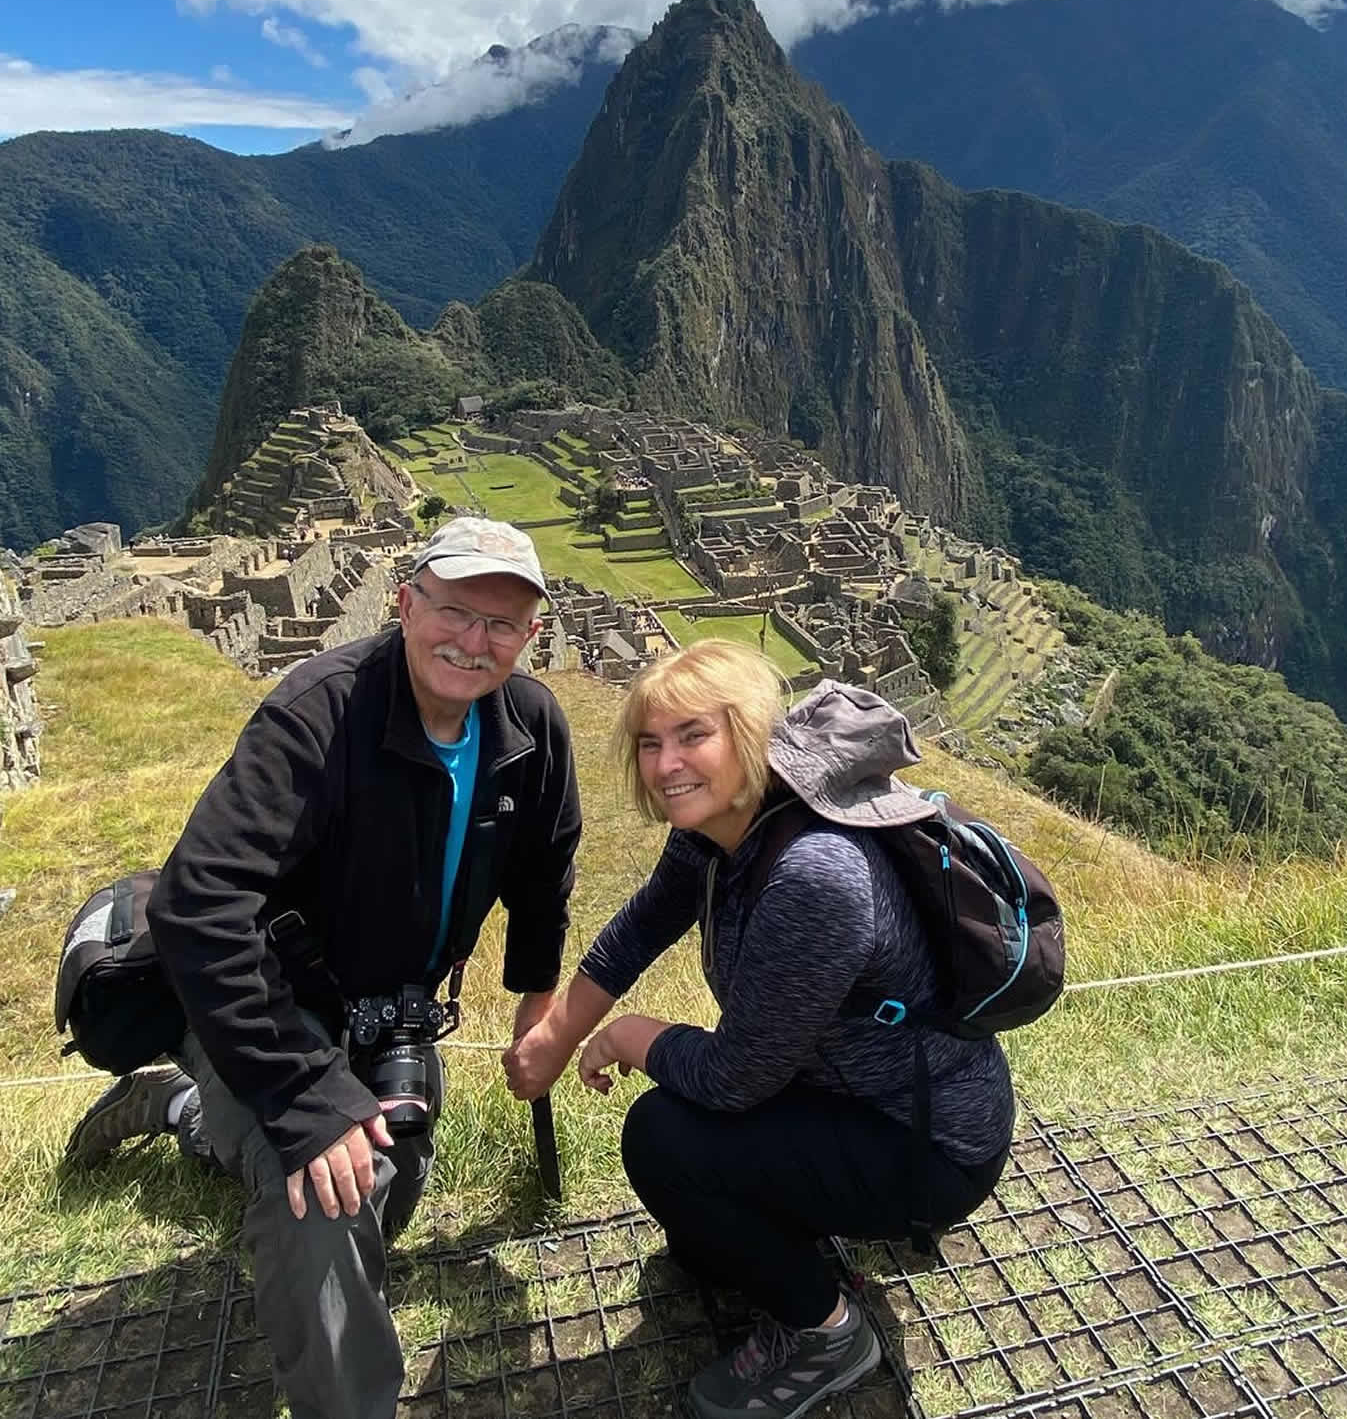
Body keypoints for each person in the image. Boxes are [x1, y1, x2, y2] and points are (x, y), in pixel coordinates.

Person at [65, 517, 582, 1419]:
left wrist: (537, 999)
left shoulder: (528, 726)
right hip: (268, 999)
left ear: (531, 636)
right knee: (334, 1197)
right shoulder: (321, 713)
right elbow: (199, 905)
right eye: (455, 611)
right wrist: (306, 1099)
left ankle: (185, 1111)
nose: (474, 641)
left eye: (502, 625)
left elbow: (547, 865)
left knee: (399, 1169)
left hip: (389, 1005)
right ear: (405, 602)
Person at [504, 640, 1013, 1419]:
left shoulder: (815, 872)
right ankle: (796, 1242)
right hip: (853, 1098)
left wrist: (630, 1035)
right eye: (650, 742)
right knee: (702, 1246)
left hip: (928, 1146)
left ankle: (829, 1337)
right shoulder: (722, 825)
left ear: (748, 733)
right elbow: (644, 923)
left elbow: (734, 1079)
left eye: (692, 736)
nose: (666, 763)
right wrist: (558, 1034)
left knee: (663, 1140)